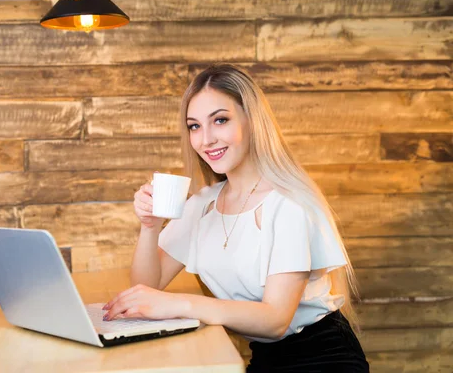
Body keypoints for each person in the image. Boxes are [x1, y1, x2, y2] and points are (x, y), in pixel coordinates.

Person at [102, 64, 370, 372]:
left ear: (251, 120)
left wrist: (182, 304)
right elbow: (146, 286)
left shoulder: (289, 204)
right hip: (265, 358)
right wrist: (149, 228)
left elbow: (275, 320)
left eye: (220, 120)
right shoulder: (202, 205)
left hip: (323, 359)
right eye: (194, 126)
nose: (206, 140)